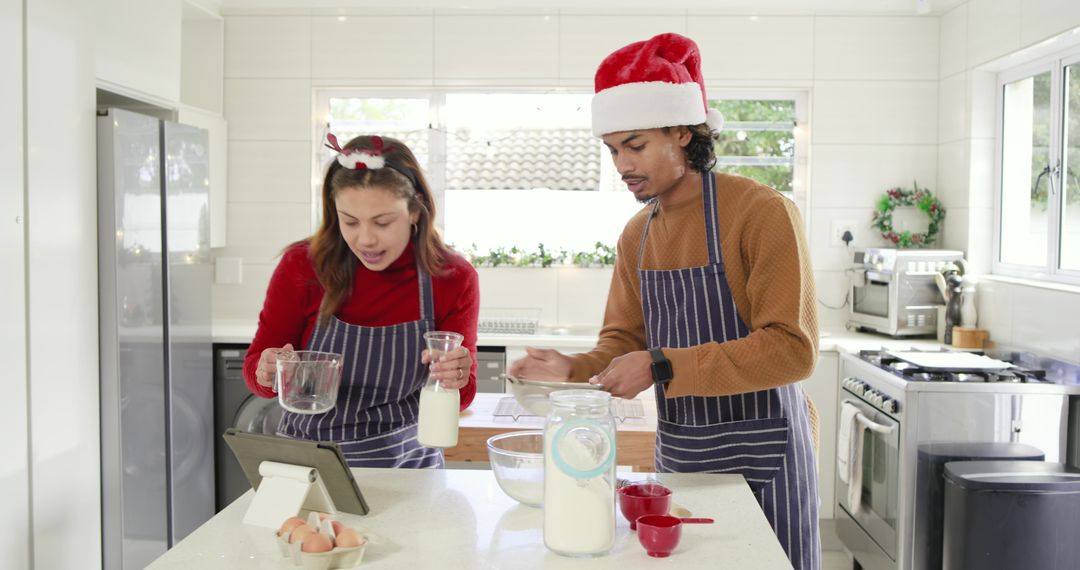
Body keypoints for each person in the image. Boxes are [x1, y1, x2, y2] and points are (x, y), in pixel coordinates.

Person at [509, 33, 821, 569]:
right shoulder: (637, 234)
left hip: (766, 458)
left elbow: (792, 351)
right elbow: (624, 342)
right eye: (611, 150)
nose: (621, 164)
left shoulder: (761, 212)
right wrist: (572, 368)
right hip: (683, 453)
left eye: (635, 145)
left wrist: (661, 363)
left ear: (683, 131)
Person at [244, 133, 479, 469]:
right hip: (309, 466)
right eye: (350, 221)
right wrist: (266, 370)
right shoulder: (302, 266)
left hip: (408, 466)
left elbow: (462, 394)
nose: (365, 239)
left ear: (414, 210)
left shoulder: (452, 277)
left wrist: (456, 376)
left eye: (382, 222)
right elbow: (257, 368)